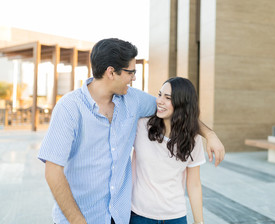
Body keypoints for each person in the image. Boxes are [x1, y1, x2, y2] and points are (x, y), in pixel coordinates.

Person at [38, 38, 224, 224]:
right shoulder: (69, 108)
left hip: (118, 217)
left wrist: (209, 134)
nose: (134, 77)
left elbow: (178, 110)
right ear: (111, 72)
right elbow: (53, 171)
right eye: (131, 72)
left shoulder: (133, 100)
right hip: (80, 218)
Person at [130, 77, 205, 224]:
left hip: (175, 216)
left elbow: (194, 184)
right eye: (159, 94)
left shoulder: (194, 139)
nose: (159, 100)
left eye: (168, 97)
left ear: (182, 104)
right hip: (140, 215)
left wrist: (199, 222)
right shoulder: (141, 126)